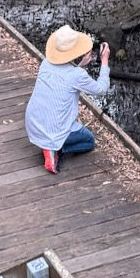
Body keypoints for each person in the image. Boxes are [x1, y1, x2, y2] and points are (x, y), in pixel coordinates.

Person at [25, 25, 110, 174]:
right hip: (53, 131)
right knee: (89, 141)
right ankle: (55, 149)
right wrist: (104, 61)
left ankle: (49, 145)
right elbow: (101, 89)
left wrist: (81, 65)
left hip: (33, 125)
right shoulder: (77, 75)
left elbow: (65, 78)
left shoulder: (46, 64)